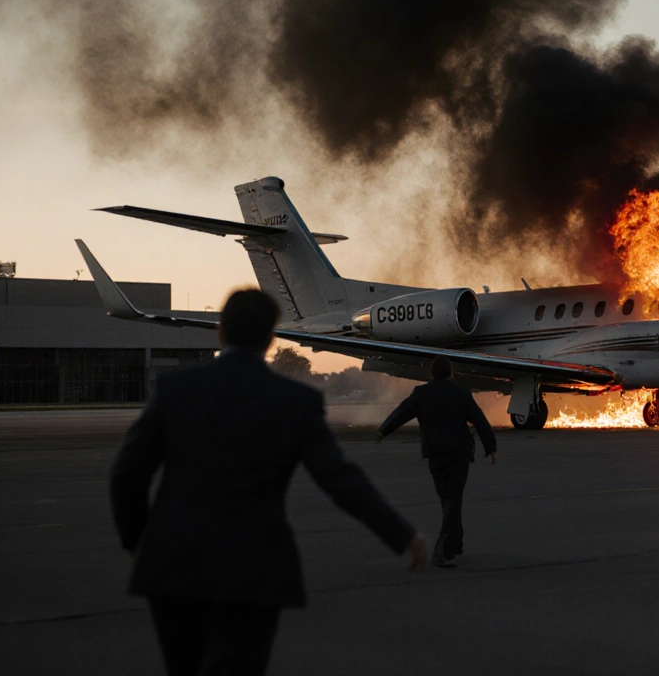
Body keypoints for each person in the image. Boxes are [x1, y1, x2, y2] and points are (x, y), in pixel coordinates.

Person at [110, 288, 429, 676]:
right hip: (255, 570)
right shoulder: (296, 401)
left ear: (220, 332)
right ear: (270, 339)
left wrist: (137, 542)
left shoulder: (176, 388)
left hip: (174, 566)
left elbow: (128, 472)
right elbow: (341, 480)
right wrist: (403, 536)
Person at [377, 355, 497, 568]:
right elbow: (480, 421)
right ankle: (444, 550)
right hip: (459, 452)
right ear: (451, 373)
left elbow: (402, 413)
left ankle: (454, 542)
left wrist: (383, 431)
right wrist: (491, 448)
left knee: (447, 499)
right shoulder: (461, 393)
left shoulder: (421, 393)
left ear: (431, 373)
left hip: (435, 453)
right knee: (453, 499)